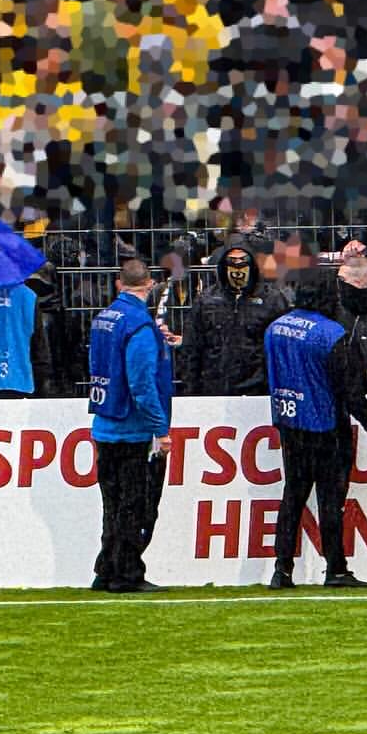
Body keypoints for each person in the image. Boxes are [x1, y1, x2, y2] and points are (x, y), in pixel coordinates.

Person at [265, 272, 367, 591]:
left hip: (289, 422)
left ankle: (282, 570)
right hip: (325, 425)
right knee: (330, 500)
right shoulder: (331, 334)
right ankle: (335, 567)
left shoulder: (276, 328)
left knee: (292, 496)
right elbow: (349, 388)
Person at [88, 259, 173, 594]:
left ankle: (107, 569)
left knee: (112, 503)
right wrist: (160, 429)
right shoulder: (139, 326)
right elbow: (141, 383)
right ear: (149, 285)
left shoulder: (104, 318)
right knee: (134, 505)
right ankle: (126, 572)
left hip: (105, 422)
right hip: (131, 428)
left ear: (118, 284)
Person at [178, 239, 285, 395]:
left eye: (243, 263)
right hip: (214, 390)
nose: (237, 269)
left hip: (258, 391)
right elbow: (191, 348)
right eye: (232, 263)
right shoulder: (207, 301)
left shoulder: (272, 300)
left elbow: (280, 349)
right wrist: (191, 390)